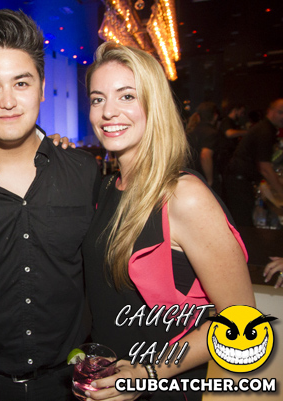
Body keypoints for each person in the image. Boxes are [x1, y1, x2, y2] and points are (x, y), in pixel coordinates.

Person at [82, 42, 255, 400]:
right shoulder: (109, 187)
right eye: (98, 99)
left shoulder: (183, 196)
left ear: (155, 104)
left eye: (127, 96)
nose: (108, 111)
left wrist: (145, 374)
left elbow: (241, 320)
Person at [0, 9, 100, 401]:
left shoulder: (84, 174)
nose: (8, 101)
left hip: (70, 383)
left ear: (42, 88)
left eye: (21, 82)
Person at [225, 99, 283, 227]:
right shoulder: (265, 131)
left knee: (243, 222)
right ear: (270, 111)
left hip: (239, 179)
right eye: (280, 112)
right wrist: (280, 191)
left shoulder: (265, 129)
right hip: (239, 180)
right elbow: (265, 168)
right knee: (243, 223)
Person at [186, 102, 219, 187]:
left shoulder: (191, 131)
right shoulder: (211, 133)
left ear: (198, 116)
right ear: (215, 116)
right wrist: (210, 180)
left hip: (190, 176)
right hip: (202, 177)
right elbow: (205, 156)